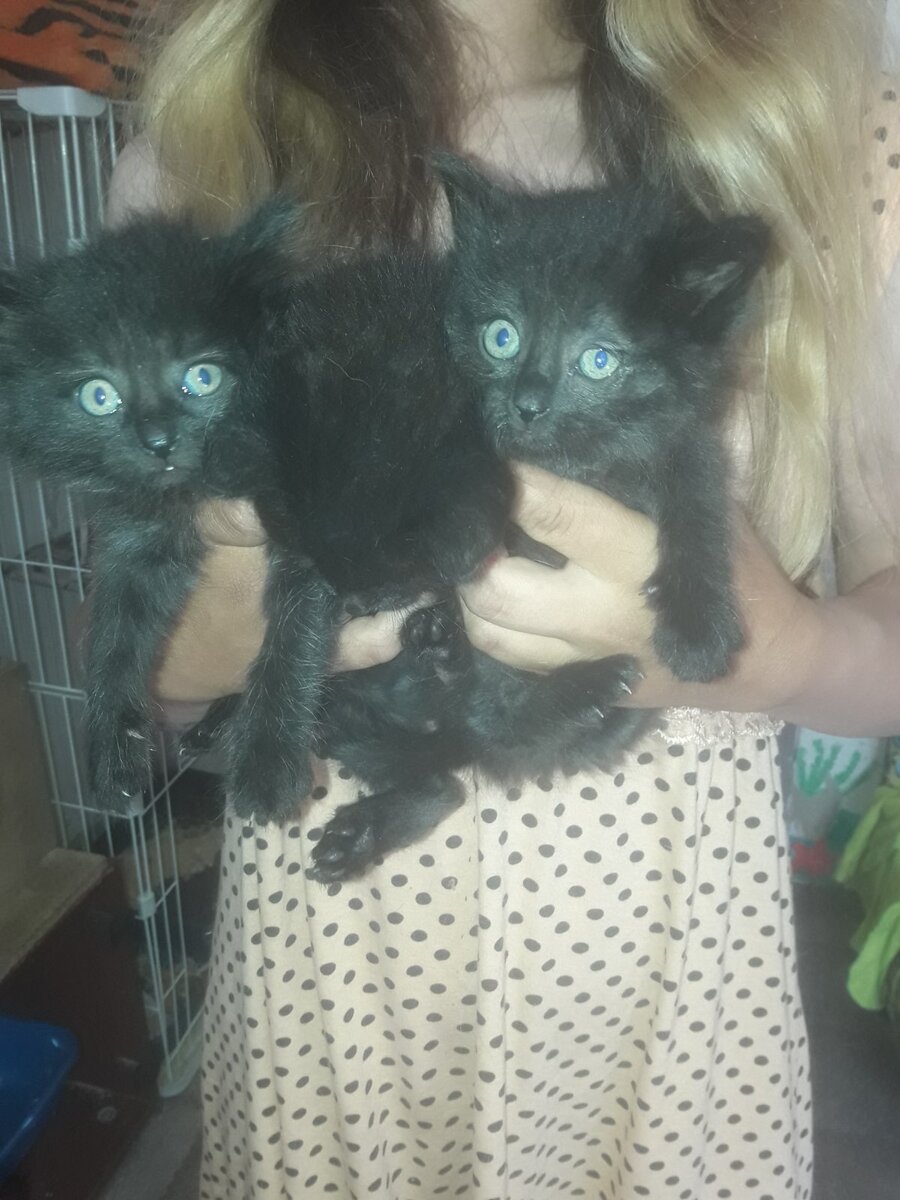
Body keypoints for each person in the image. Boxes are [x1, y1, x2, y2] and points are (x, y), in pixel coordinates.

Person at [108, 1, 900, 1196]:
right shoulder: (200, 152)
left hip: (660, 981)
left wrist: (791, 650)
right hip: (336, 972)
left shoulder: (829, 137)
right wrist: (177, 659)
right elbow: (136, 652)